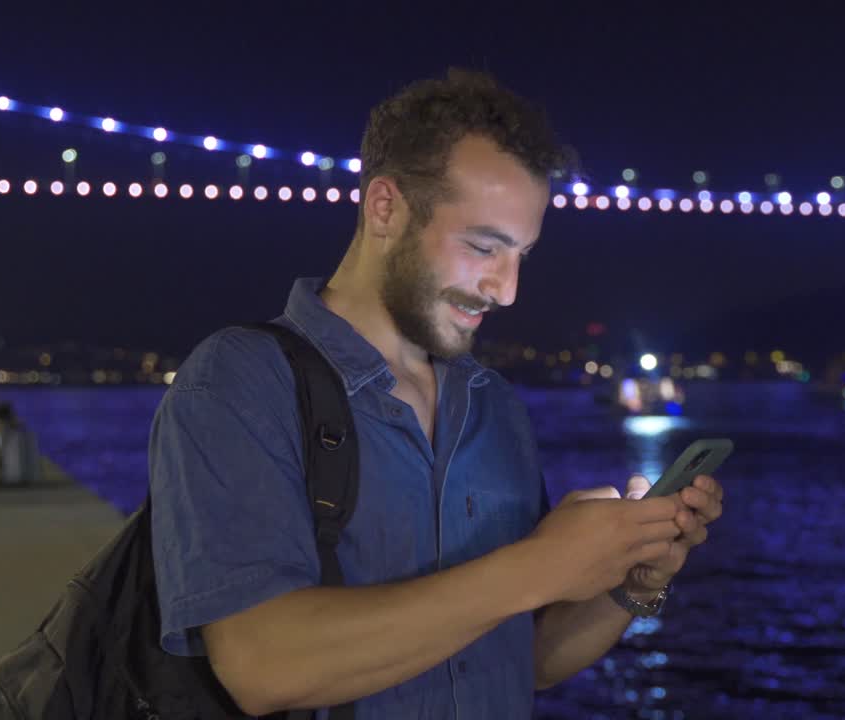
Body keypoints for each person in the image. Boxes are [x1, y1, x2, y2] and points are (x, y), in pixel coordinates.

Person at [148, 68, 725, 719]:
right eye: (484, 247)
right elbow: (262, 666)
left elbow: (524, 657)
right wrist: (540, 565)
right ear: (385, 208)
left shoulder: (495, 406)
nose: (507, 291)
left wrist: (625, 586)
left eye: (521, 257)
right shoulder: (239, 380)